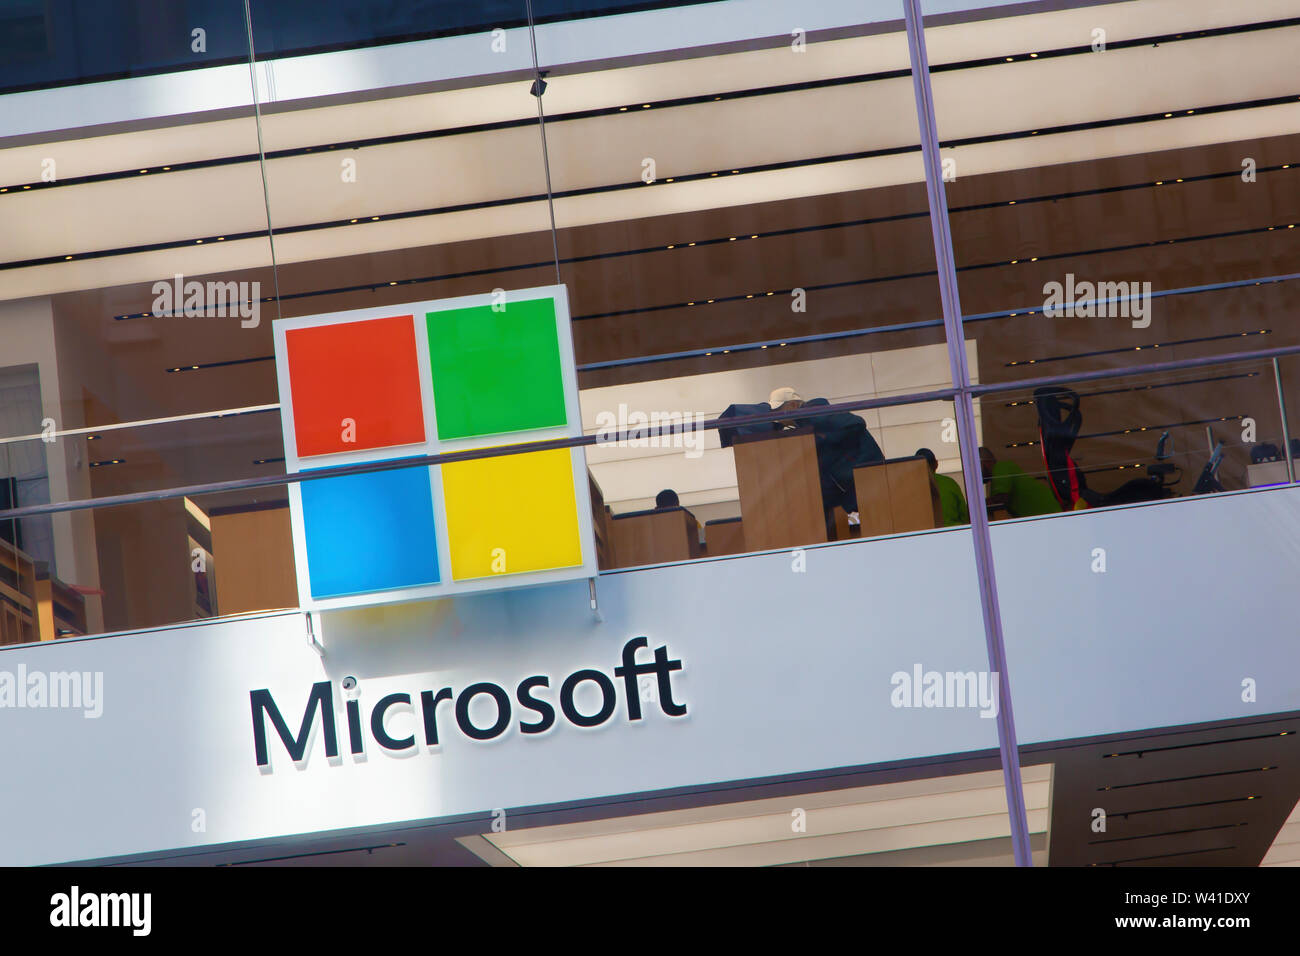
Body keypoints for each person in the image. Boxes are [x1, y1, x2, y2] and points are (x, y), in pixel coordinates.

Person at [979, 447, 1060, 517]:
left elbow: (1000, 499)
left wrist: (977, 506)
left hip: (1047, 515)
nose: (975, 473)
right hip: (1047, 515)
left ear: (986, 462)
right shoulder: (999, 472)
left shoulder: (1000, 467)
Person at [916, 448, 968, 526]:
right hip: (954, 530)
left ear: (916, 467)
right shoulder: (950, 483)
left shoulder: (913, 488)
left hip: (927, 533)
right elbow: (964, 514)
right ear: (936, 464)